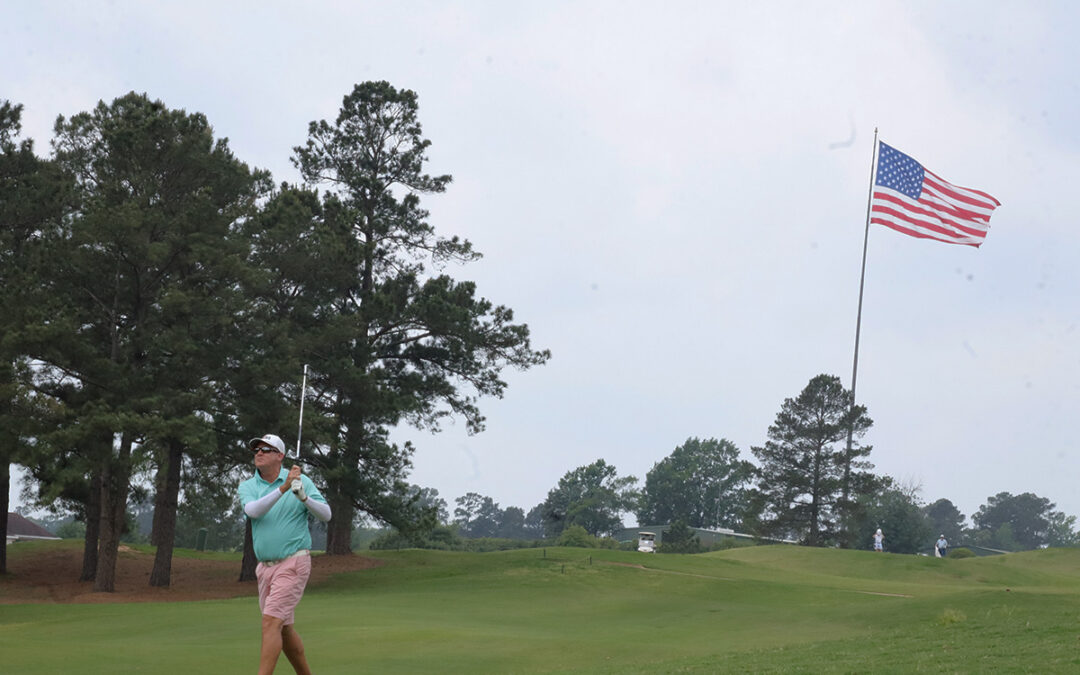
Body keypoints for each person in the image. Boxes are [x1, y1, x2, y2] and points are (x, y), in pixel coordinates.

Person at [238, 433, 332, 675]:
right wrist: (284, 488)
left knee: (271, 621)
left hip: (293, 561)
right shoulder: (248, 486)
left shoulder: (302, 481)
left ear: (280, 456)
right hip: (265, 568)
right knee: (284, 628)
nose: (259, 452)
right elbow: (253, 511)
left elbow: (326, 514)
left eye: (266, 449)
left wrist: (304, 497)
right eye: (256, 449)